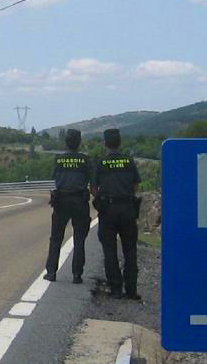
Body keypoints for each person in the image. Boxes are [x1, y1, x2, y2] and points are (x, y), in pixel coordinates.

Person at [93, 128, 141, 300]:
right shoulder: (129, 161)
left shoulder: (101, 163)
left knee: (109, 250)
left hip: (108, 209)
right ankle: (131, 289)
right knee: (130, 249)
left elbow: (93, 188)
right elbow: (136, 187)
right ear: (119, 142)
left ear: (105, 143)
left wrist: (101, 198)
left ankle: (115, 289)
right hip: (127, 208)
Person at [43, 128, 93, 284]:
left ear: (66, 142)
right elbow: (92, 181)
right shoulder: (85, 160)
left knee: (56, 238)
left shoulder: (58, 159)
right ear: (79, 143)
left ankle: (51, 272)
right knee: (79, 238)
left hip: (61, 201)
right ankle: (77, 275)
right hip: (79, 201)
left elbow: (55, 178)